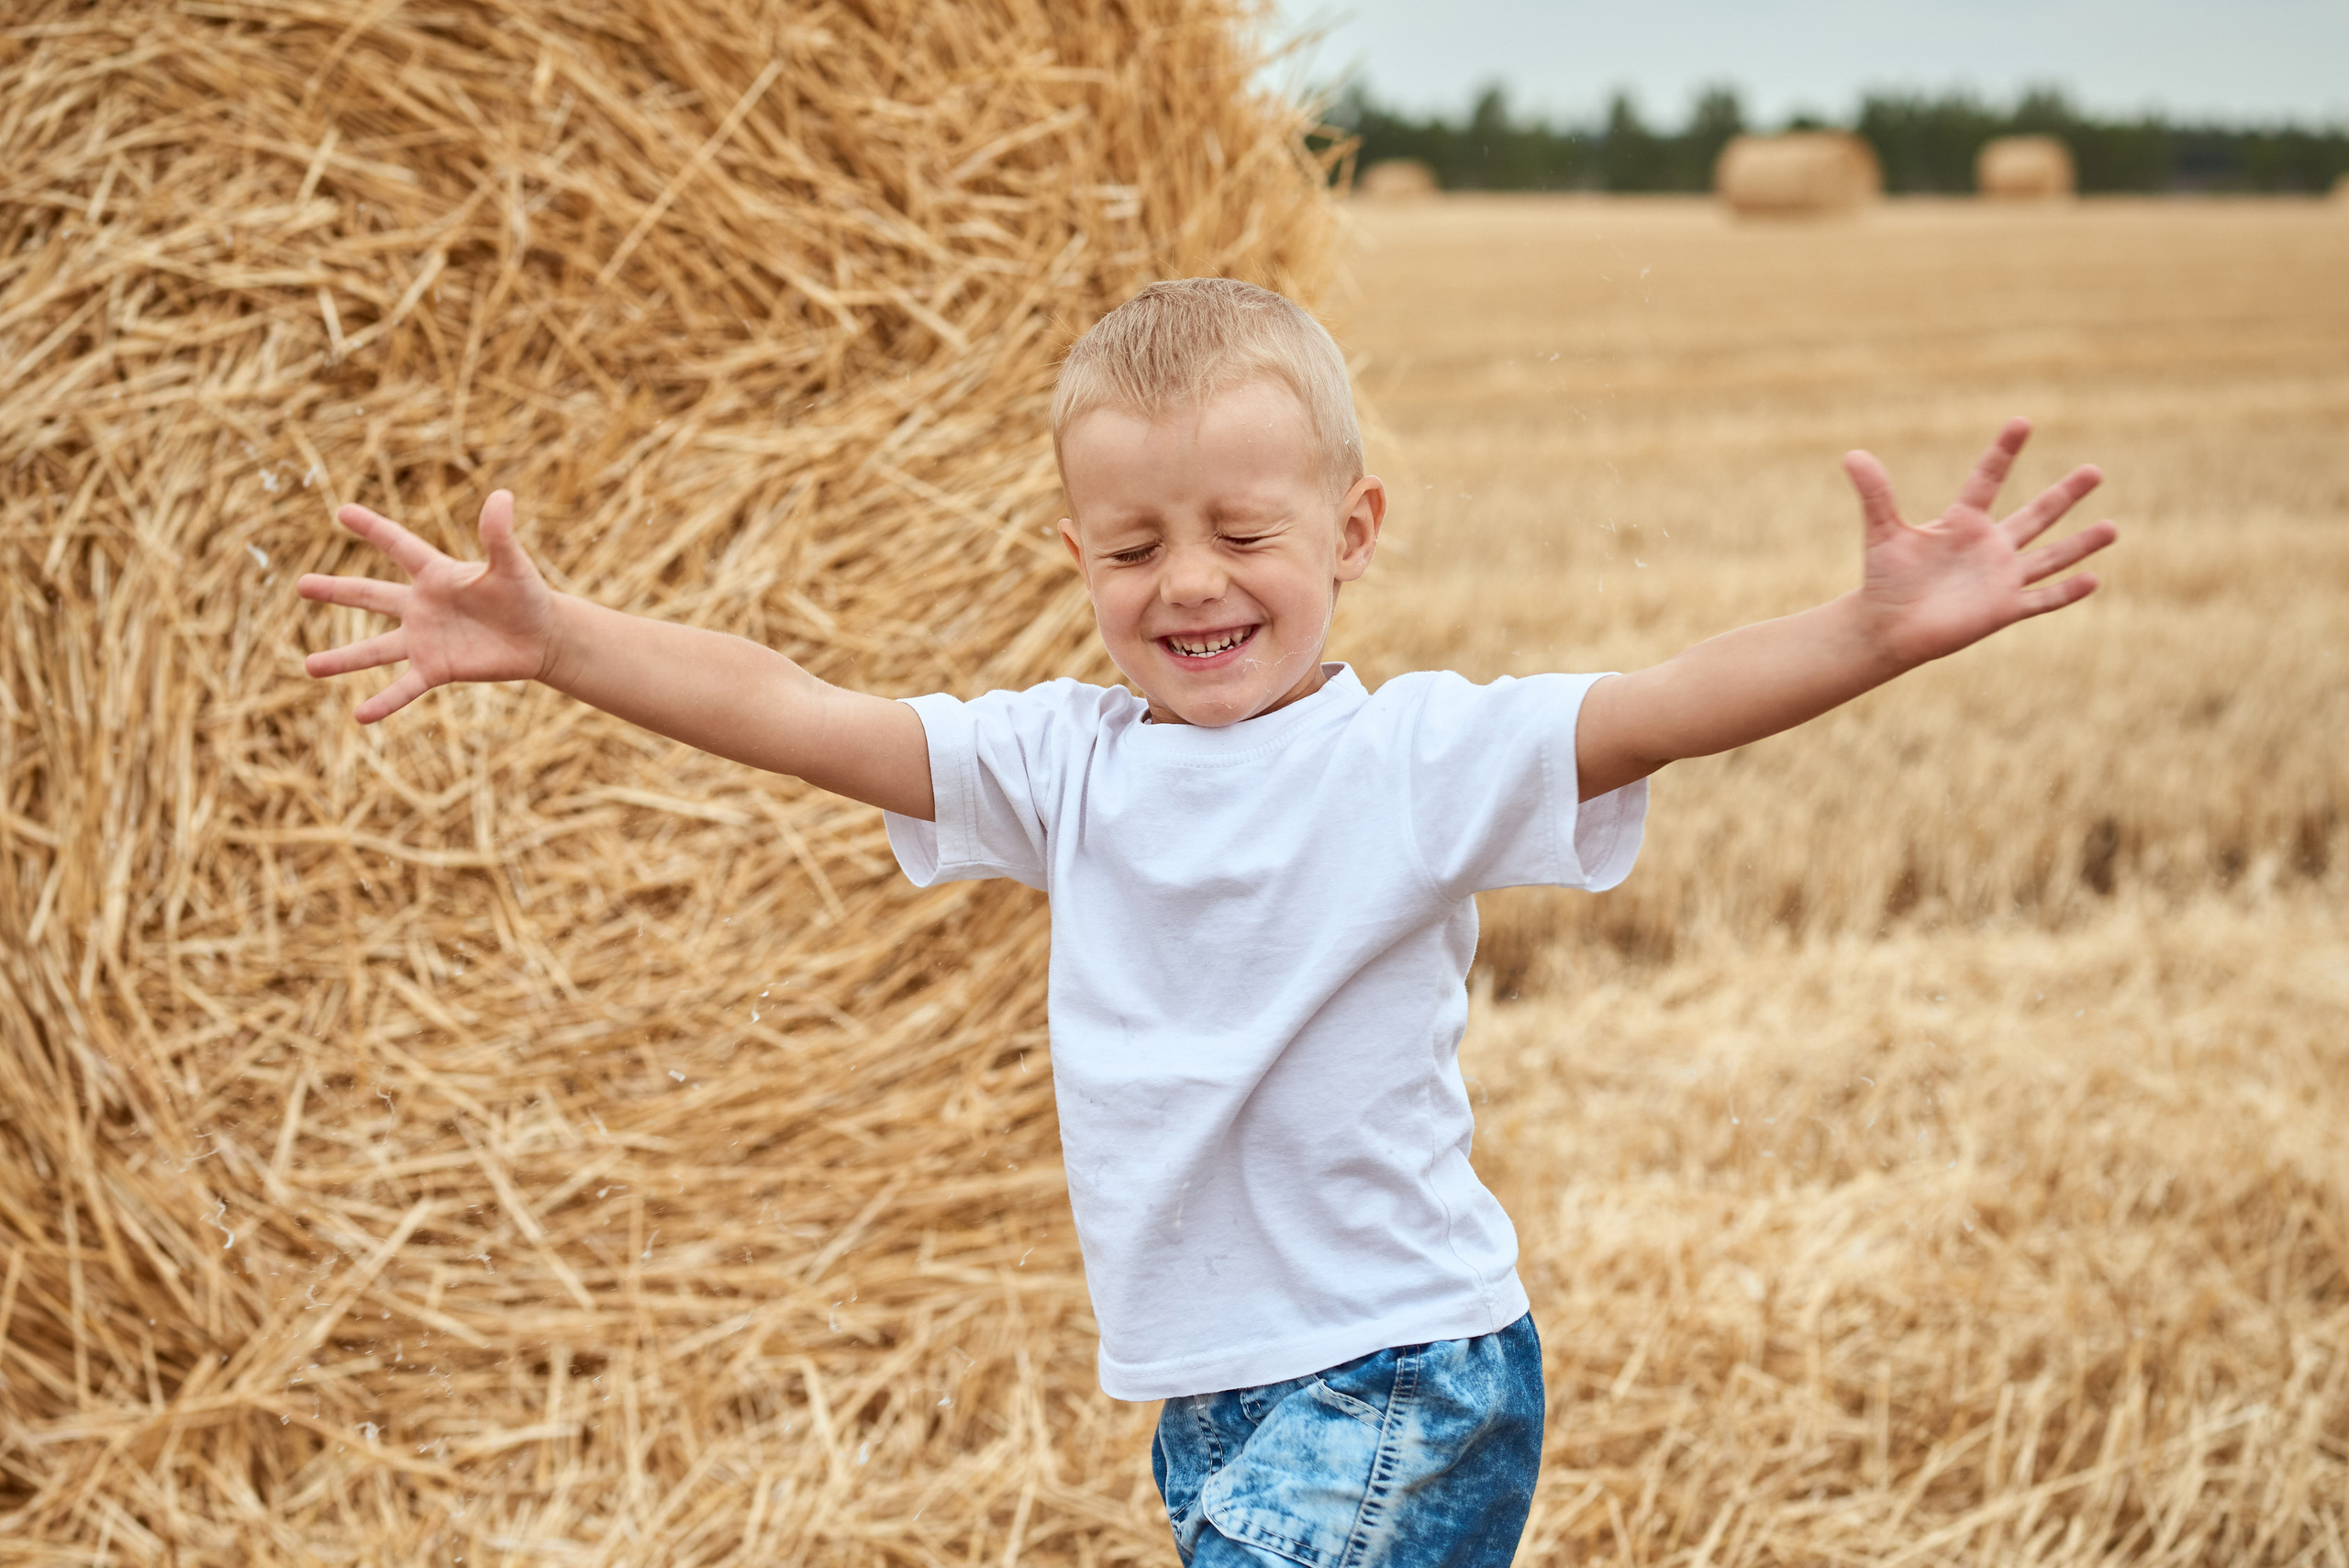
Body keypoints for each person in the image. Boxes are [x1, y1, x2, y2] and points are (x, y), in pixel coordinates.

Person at [300, 276, 2116, 1567]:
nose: (1186, 581)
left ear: (1352, 529)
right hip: (1213, 1390)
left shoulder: (1410, 757)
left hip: (1391, 1365)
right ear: (1073, 556)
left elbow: (1650, 701)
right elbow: (790, 706)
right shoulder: (1061, 766)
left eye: (1242, 532)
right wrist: (561, 645)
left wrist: (1861, 635)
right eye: (1128, 544)